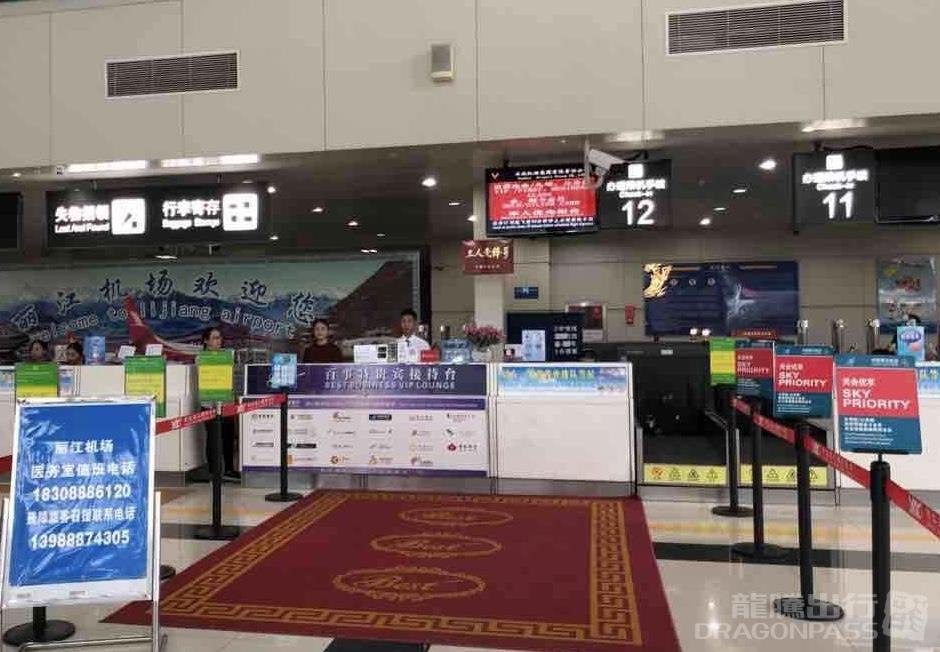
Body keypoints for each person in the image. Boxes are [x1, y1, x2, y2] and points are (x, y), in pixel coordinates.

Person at [201, 326, 239, 482]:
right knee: (213, 438)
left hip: (227, 402)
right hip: (209, 404)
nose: (218, 341)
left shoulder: (226, 356)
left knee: (228, 437)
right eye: (215, 338)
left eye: (219, 338)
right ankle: (213, 471)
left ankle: (229, 468)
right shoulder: (201, 358)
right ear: (206, 341)